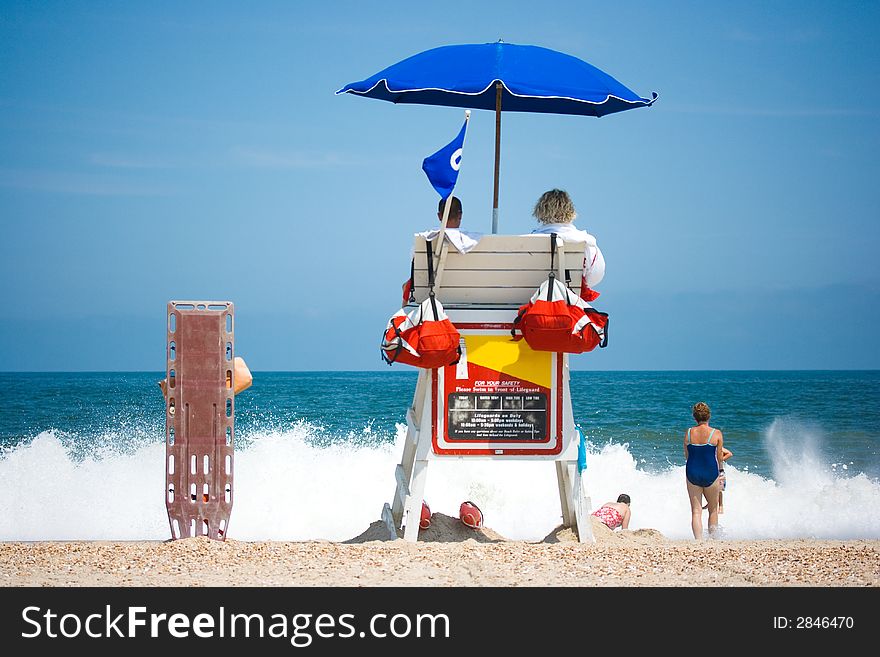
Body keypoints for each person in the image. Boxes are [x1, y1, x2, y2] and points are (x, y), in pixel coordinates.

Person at [402, 195, 482, 304]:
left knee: (406, 285)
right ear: (460, 215)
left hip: (432, 296)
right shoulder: (475, 240)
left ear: (439, 216)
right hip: (472, 296)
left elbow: (415, 262)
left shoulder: (425, 238)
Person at [529, 189, 605, 301]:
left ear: (540, 212)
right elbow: (596, 276)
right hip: (569, 303)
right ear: (570, 212)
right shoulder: (586, 242)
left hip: (535, 303)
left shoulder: (528, 241)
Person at [684, 402, 724, 540]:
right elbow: (719, 457)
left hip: (692, 472)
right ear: (709, 416)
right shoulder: (716, 433)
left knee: (696, 511)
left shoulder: (689, 432)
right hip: (710, 472)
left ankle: (698, 541)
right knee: (713, 510)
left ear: (695, 417)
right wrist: (722, 472)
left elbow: (687, 455)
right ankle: (713, 540)